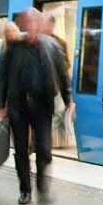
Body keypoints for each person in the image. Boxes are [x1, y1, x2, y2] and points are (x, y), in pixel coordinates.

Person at [0, 7, 73, 205]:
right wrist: (1, 104)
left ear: (40, 24)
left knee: (44, 149)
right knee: (21, 150)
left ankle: (42, 187)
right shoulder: (13, 48)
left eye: (35, 22)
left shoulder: (51, 46)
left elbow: (62, 75)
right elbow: (2, 77)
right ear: (23, 24)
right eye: (27, 22)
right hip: (18, 105)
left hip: (43, 105)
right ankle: (25, 190)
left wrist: (68, 99)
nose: (31, 26)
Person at [41, 13, 73, 149]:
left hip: (55, 87)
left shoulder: (60, 43)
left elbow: (66, 65)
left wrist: (57, 66)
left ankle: (44, 144)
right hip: (39, 88)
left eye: (49, 25)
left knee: (56, 115)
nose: (46, 27)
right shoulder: (34, 42)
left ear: (53, 26)